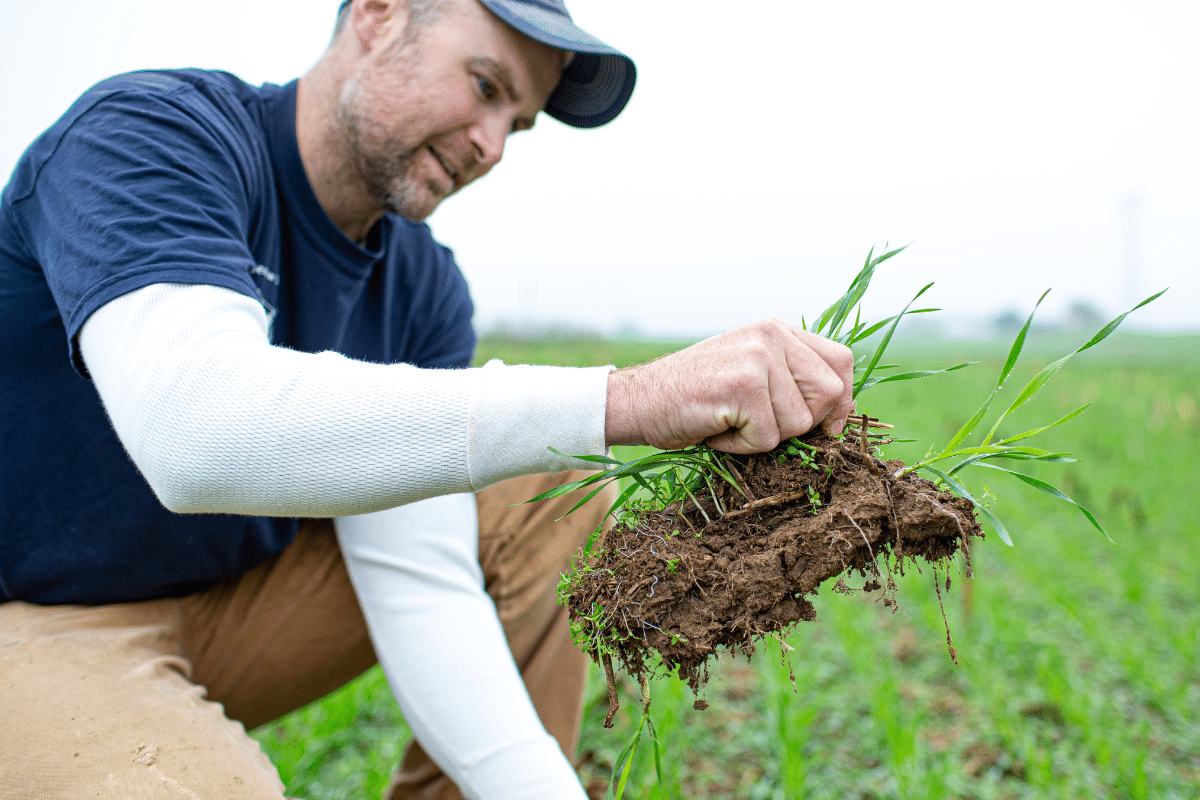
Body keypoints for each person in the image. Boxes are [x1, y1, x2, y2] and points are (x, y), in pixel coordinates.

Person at [0, 0, 855, 797]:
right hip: (34, 619)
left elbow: (420, 580)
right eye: (486, 86)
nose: (493, 145)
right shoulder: (152, 137)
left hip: (234, 609)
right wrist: (630, 400)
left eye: (516, 123)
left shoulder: (422, 288)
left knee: (543, 490)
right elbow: (195, 434)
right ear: (377, 12)